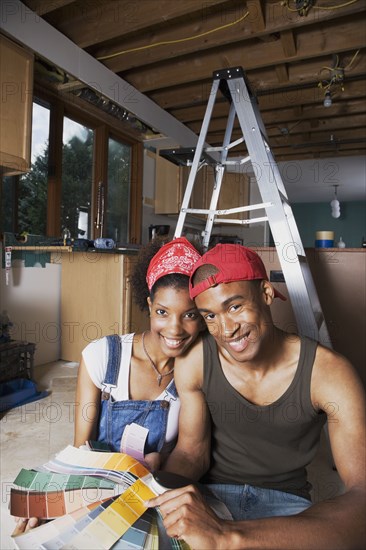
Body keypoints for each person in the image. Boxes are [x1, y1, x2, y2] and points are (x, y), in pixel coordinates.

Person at [147, 243, 366, 550]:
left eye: (234, 307)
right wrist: (149, 490)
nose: (226, 330)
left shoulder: (330, 374)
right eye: (209, 316)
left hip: (288, 508)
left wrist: (227, 537)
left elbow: (362, 500)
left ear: (265, 294)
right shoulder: (195, 360)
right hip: (208, 496)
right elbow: (192, 453)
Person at [12, 236, 205, 536]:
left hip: (158, 487)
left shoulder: (200, 372)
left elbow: (192, 455)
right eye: (163, 312)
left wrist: (160, 462)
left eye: (190, 314)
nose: (175, 329)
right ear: (149, 304)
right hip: (99, 485)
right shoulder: (103, 356)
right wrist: (53, 503)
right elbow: (81, 449)